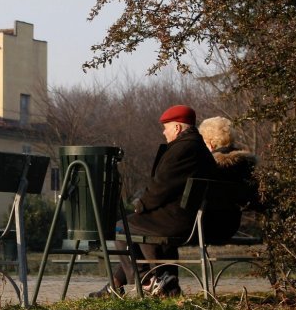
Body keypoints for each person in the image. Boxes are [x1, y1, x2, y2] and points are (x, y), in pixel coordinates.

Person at [89, 104, 217, 298]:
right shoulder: (199, 149)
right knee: (138, 231)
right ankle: (120, 285)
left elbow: (161, 186)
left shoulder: (182, 149)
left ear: (177, 128)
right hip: (189, 217)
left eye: (166, 126)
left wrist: (141, 206)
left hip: (177, 221)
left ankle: (148, 280)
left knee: (121, 228)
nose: (163, 131)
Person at [198, 116, 259, 241]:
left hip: (204, 227)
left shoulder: (207, 165)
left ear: (209, 143)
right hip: (231, 226)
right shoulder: (246, 164)